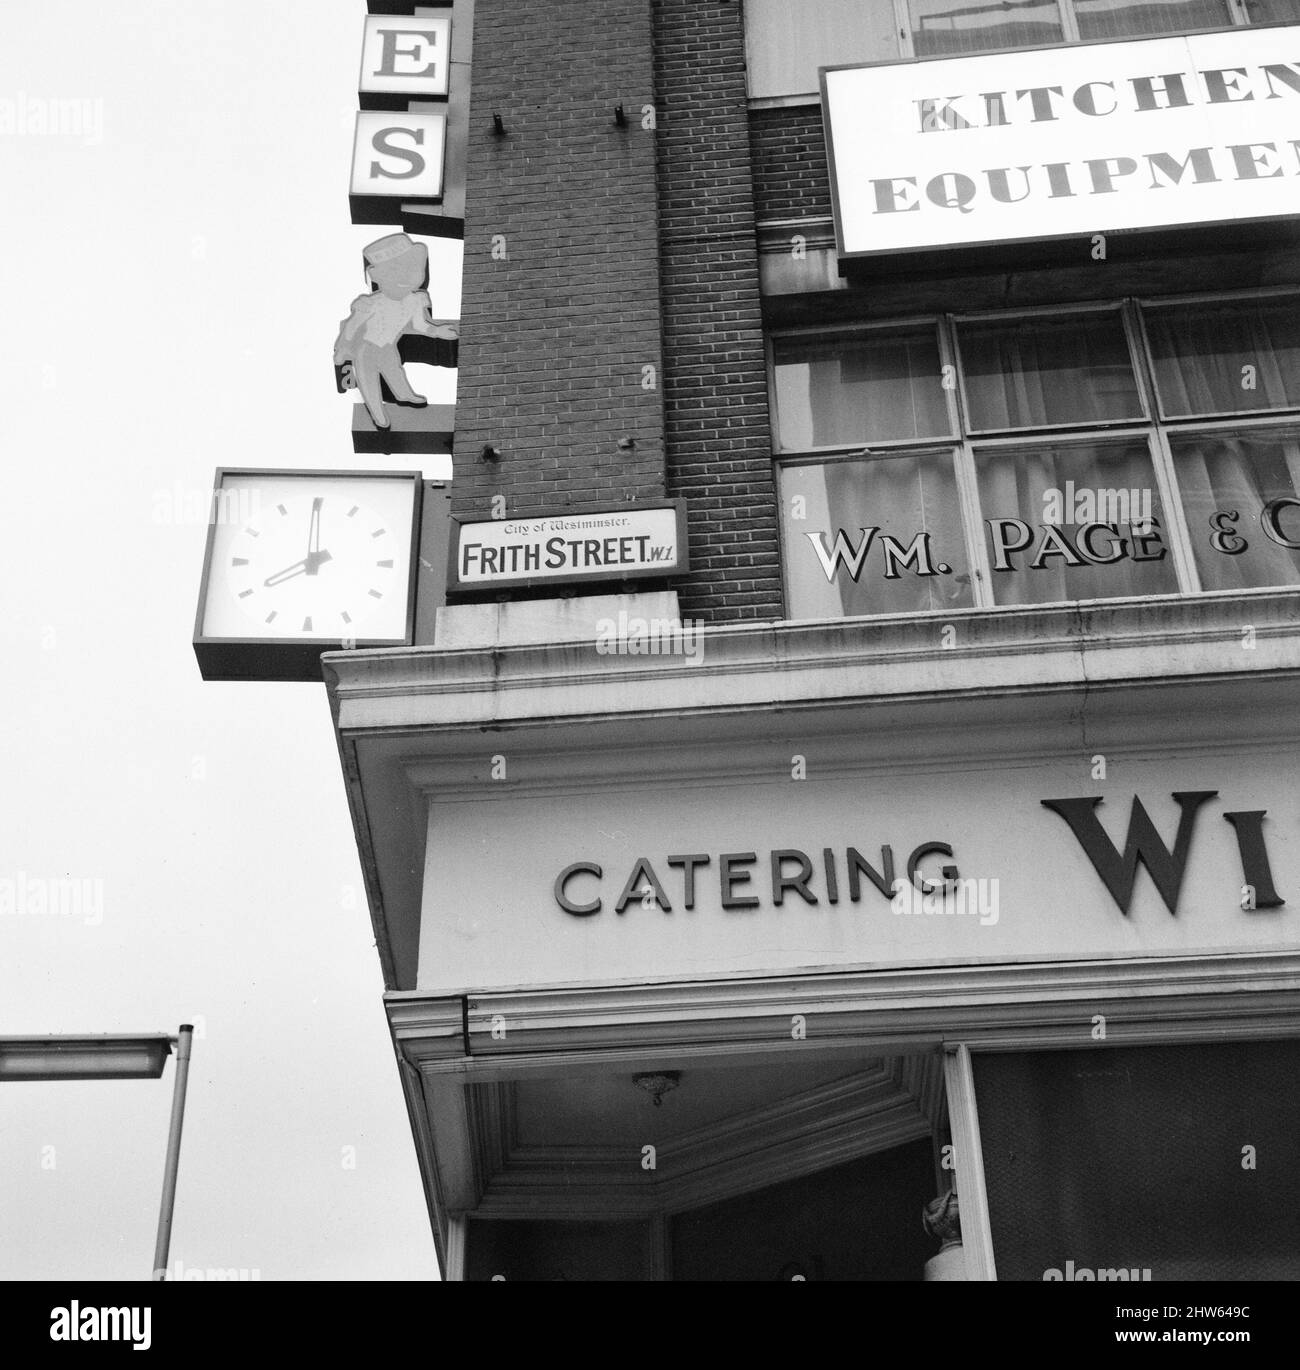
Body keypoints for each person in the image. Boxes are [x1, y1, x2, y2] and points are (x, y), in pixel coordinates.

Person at [333, 232, 458, 429]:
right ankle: (378, 415)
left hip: (388, 347)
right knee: (369, 382)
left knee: (395, 372)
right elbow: (352, 325)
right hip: (366, 349)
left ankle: (405, 395)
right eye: (393, 272)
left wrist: (437, 331)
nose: (404, 278)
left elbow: (420, 325)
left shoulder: (416, 300)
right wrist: (343, 348)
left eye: (411, 270)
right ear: (378, 277)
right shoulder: (371, 303)